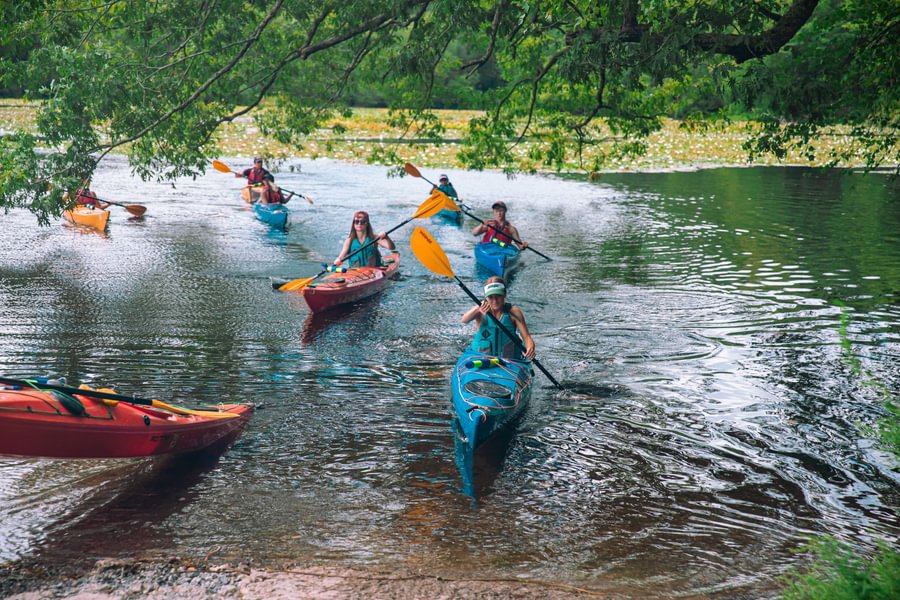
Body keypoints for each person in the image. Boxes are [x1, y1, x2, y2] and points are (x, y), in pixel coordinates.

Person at [461, 276, 536, 360]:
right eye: (491, 297)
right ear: (486, 297)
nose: (495, 301)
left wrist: (530, 348)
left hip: (509, 360)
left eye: (498, 296)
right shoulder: (479, 311)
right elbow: (464, 320)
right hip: (481, 358)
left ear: (504, 294)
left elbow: (526, 337)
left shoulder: (514, 312)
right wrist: (478, 308)